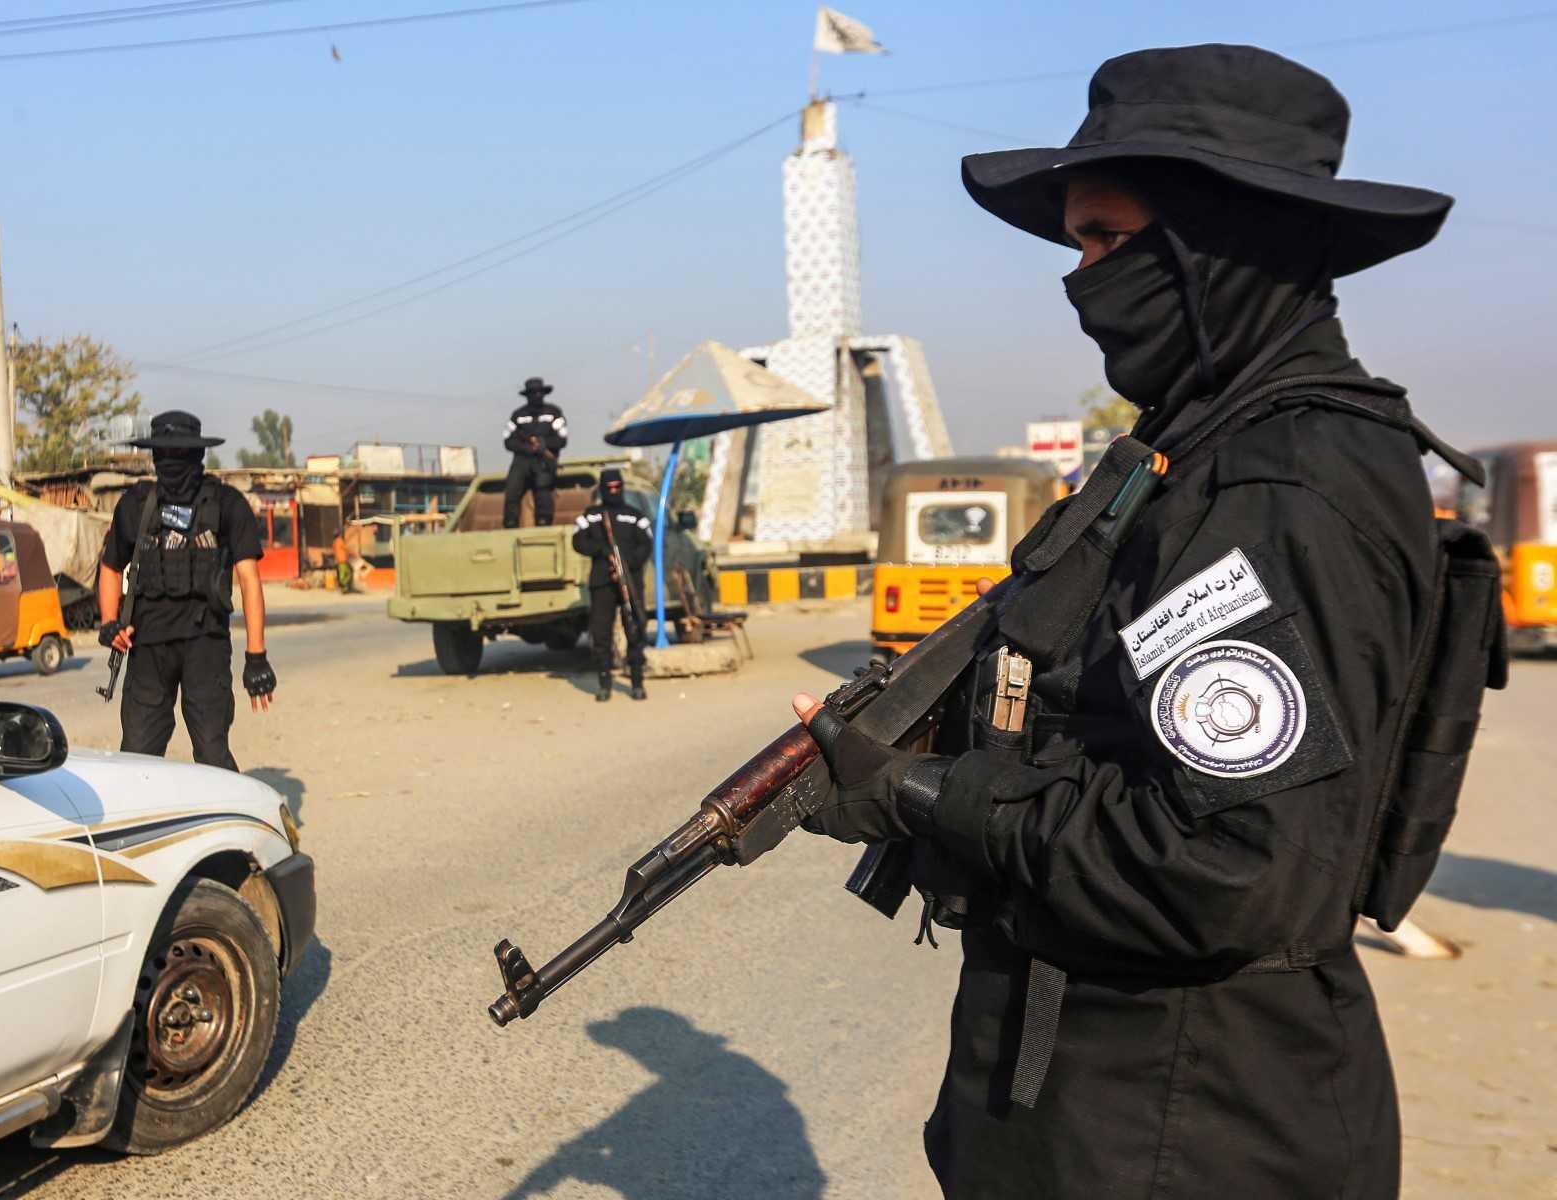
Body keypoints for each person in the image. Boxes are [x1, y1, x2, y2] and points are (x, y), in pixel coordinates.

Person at [790, 45, 1474, 1198]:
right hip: (1110, 1109)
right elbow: (1096, 730)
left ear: (1217, 242)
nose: (1083, 280)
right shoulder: (1190, 456)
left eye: (1108, 240)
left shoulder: (1280, 485)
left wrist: (919, 792)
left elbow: (1219, 865)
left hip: (1186, 1128)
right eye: (1078, 244)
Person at [97, 410, 276, 770]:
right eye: (166, 455)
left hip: (205, 644)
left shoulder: (227, 504)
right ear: (155, 458)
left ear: (199, 456)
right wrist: (109, 623)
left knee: (212, 753)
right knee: (137, 757)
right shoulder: (136, 504)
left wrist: (256, 656)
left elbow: (249, 579)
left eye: (182, 455)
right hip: (147, 645)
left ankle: (223, 820)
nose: (174, 463)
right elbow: (110, 566)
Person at [571, 468, 651, 702]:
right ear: (603, 489)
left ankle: (636, 682)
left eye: (618, 487)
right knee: (601, 633)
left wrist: (627, 564)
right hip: (602, 582)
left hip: (630, 583)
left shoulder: (636, 516)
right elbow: (578, 541)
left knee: (635, 631)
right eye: (610, 488)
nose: (614, 491)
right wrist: (602, 550)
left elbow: (645, 545)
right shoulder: (591, 515)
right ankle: (605, 683)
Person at [502, 376, 567, 528]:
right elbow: (508, 440)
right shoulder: (518, 415)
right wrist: (526, 448)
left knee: (543, 491)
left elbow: (562, 439)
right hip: (522, 460)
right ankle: (510, 524)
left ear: (544, 394)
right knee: (512, 490)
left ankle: (544, 523)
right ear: (527, 395)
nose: (536, 396)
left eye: (539, 393)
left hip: (544, 460)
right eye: (533, 393)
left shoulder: (554, 412)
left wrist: (544, 444)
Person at [333, 529, 354, 594]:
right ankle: (344, 587)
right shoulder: (340, 541)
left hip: (339, 560)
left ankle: (344, 587)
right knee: (347, 573)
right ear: (339, 535)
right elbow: (346, 548)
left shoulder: (334, 542)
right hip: (343, 560)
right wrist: (352, 553)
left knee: (343, 573)